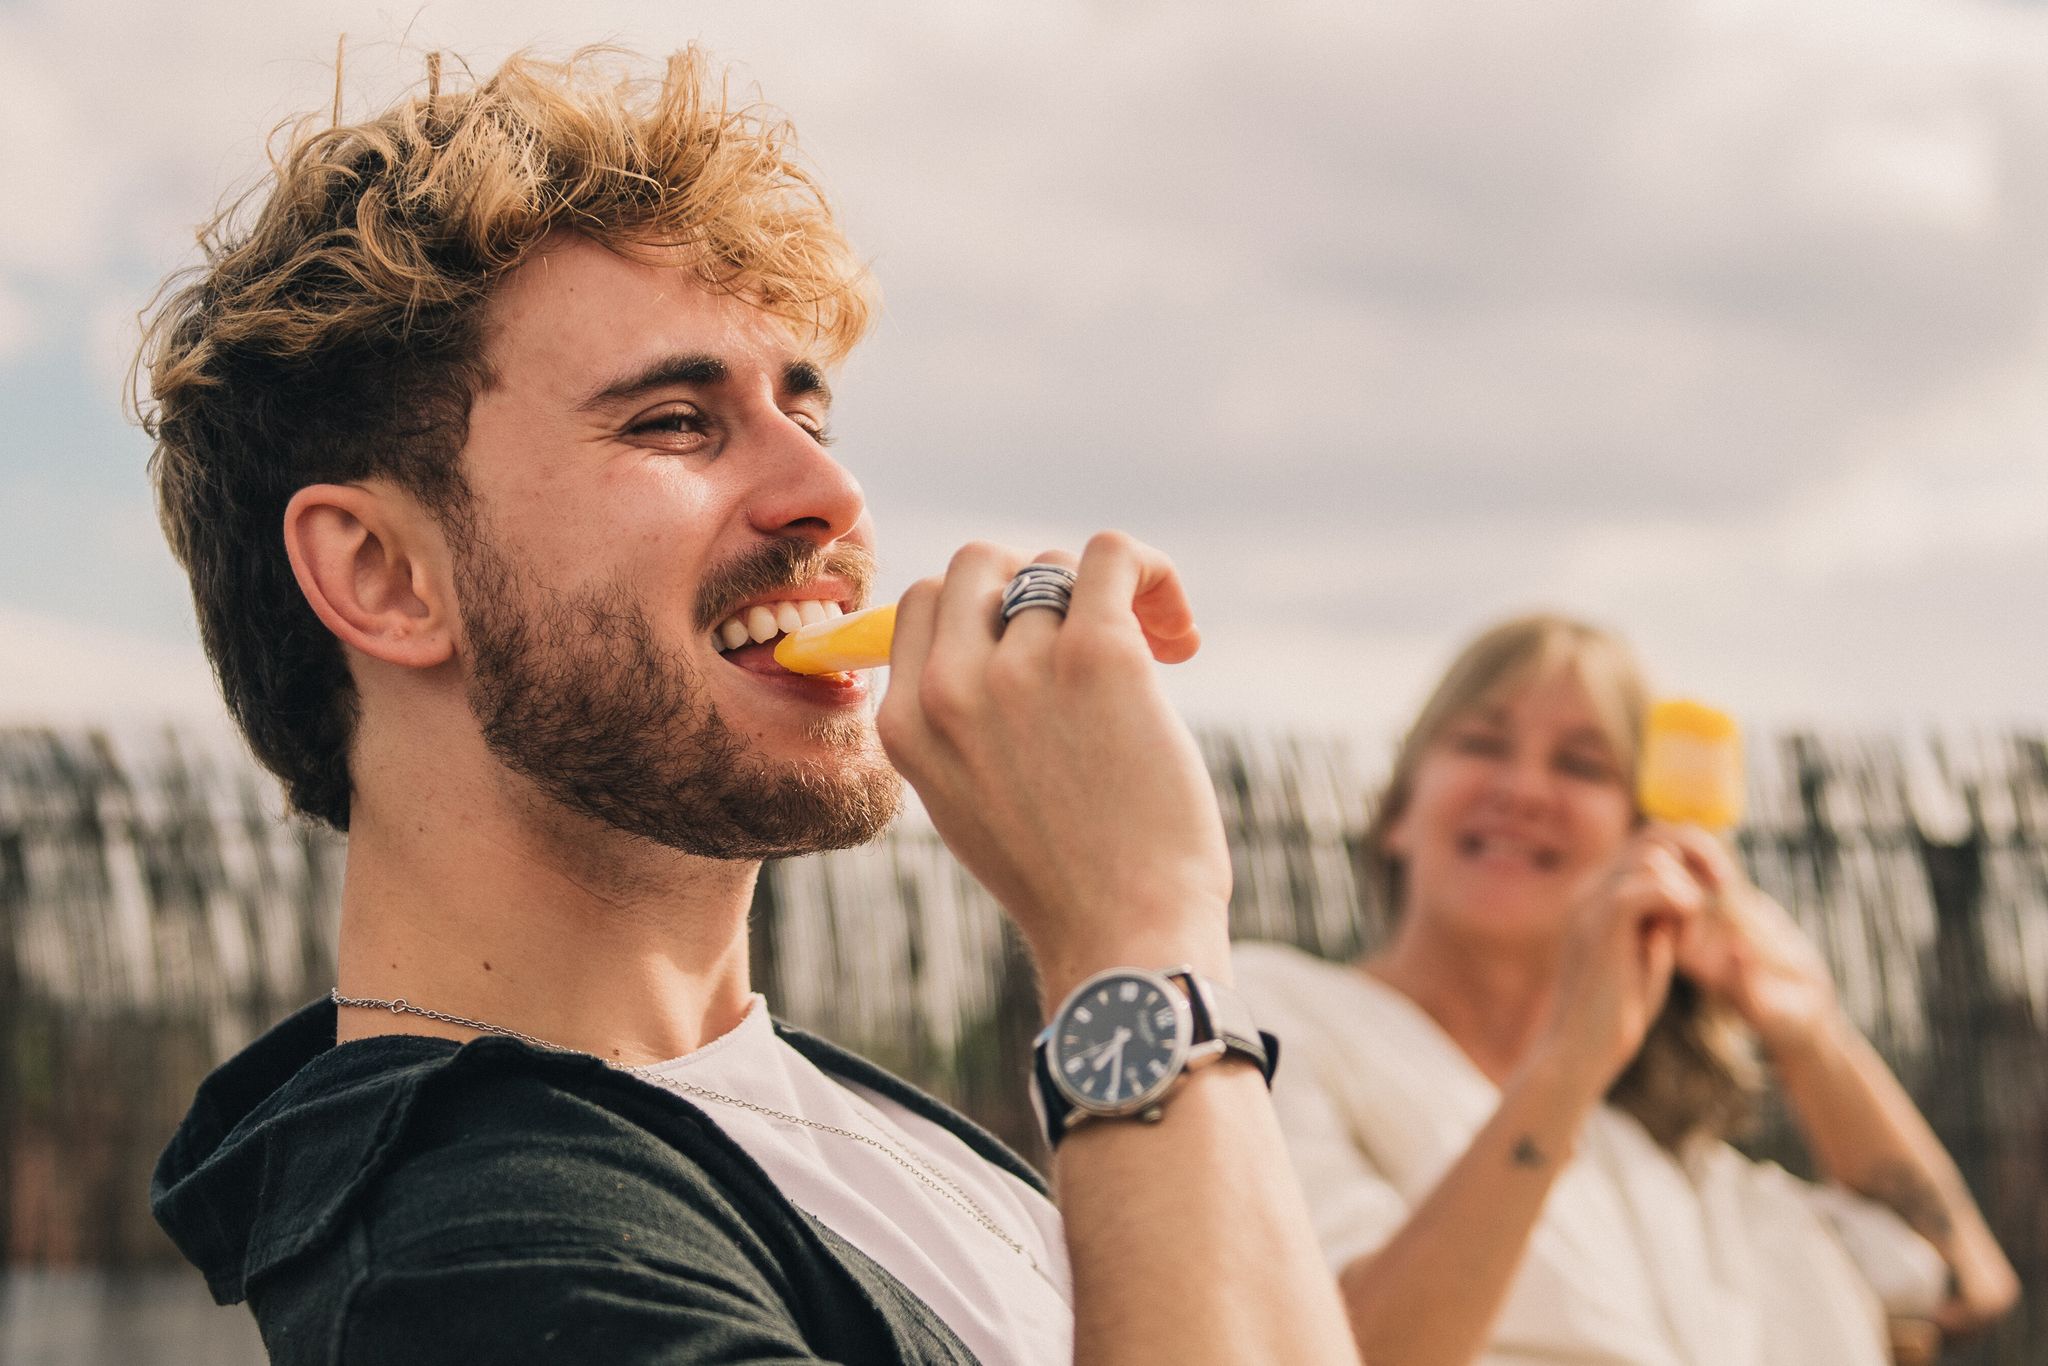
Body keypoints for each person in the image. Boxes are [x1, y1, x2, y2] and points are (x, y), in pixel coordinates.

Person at [138, 48, 1357, 1365]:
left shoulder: (842, 1121)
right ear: (383, 574)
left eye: (806, 411)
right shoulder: (472, 1256)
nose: (829, 494)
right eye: (673, 420)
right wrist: (1136, 935)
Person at [1234, 613, 2019, 1366]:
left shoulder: (1658, 1166)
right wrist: (1568, 1062)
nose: (1524, 789)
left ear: (1642, 841)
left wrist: (1813, 1038)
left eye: (1582, 766)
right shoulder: (1272, 1018)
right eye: (1482, 744)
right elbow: (1351, 1351)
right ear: (1398, 813)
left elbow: (1962, 1289)